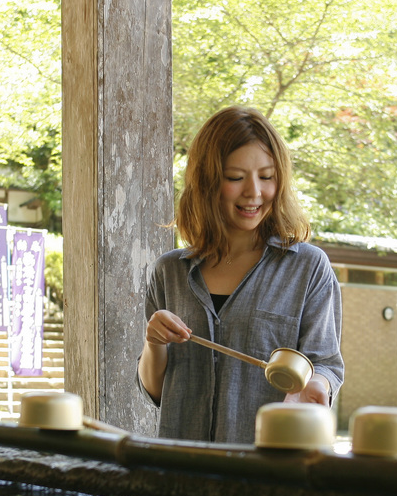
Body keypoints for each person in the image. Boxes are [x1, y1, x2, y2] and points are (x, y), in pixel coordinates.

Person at [138, 106, 343, 443]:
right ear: (207, 182)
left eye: (267, 176)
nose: (254, 192)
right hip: (181, 472)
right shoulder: (169, 272)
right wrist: (154, 343)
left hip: (267, 473)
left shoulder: (308, 268)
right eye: (235, 177)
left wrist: (315, 386)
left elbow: (326, 365)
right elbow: (155, 391)